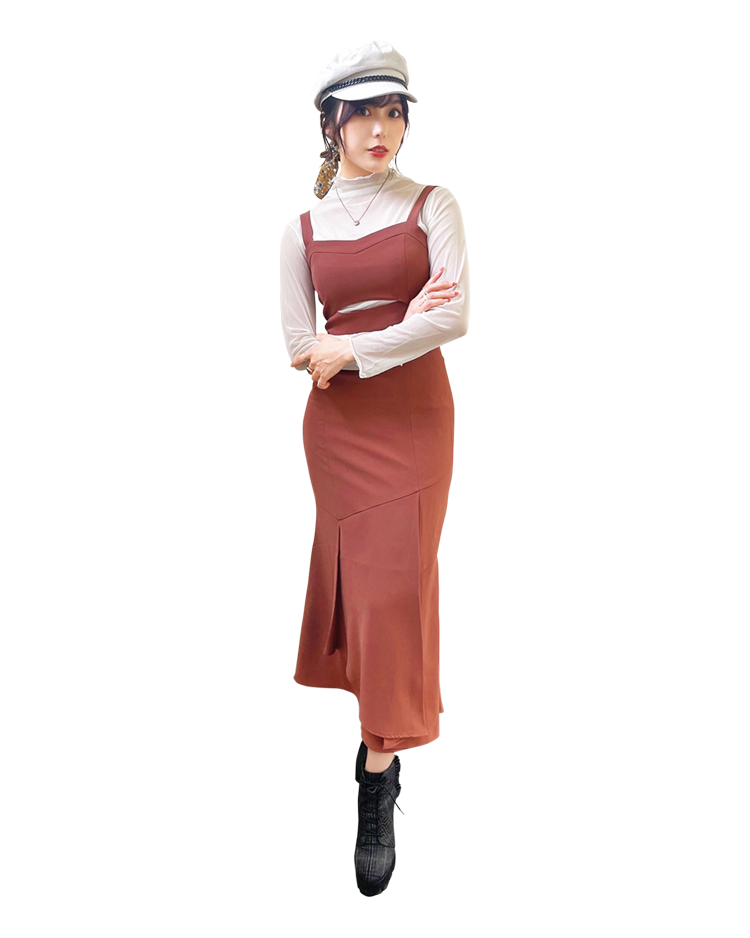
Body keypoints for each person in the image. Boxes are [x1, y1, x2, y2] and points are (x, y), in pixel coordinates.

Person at [279, 40, 470, 896]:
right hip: (339, 435)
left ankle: (376, 780)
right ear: (332, 124)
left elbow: (454, 317)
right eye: (363, 113)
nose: (381, 128)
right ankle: (381, 736)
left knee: (398, 589)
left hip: (414, 418)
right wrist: (394, 324)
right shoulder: (299, 232)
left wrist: (353, 348)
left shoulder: (435, 204)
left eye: (394, 111)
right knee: (368, 591)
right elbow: (299, 344)